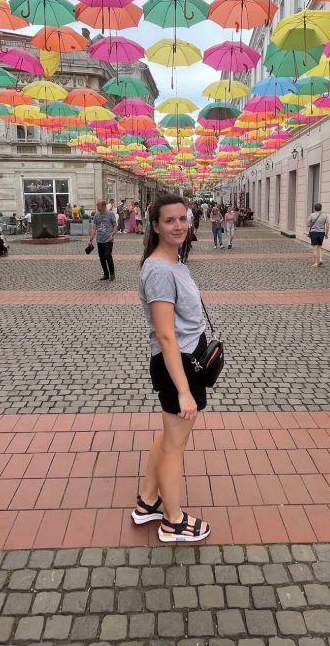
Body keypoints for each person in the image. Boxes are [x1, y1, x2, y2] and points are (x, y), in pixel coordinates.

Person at [134, 195, 211, 543]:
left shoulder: (173, 261)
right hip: (177, 364)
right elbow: (165, 334)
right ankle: (172, 521)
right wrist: (183, 390)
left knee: (169, 438)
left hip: (184, 358)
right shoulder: (160, 269)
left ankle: (148, 502)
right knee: (175, 446)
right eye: (170, 221)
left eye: (183, 219)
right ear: (155, 226)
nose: (179, 225)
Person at [87, 199, 117, 281]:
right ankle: (106, 274)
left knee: (108, 255)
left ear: (103, 206)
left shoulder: (110, 214)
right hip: (99, 239)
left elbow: (115, 226)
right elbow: (94, 228)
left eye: (98, 205)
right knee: (102, 257)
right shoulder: (96, 216)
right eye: (97, 205)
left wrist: (112, 234)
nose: (97, 206)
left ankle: (112, 273)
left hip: (108, 239)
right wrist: (91, 239)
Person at [307, 202, 330, 268]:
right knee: (319, 247)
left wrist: (312, 224)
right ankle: (320, 259)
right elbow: (328, 225)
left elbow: (308, 224)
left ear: (315, 208)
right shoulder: (325, 216)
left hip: (314, 232)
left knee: (315, 248)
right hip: (321, 232)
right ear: (321, 208)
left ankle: (316, 263)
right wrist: (326, 234)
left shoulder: (312, 215)